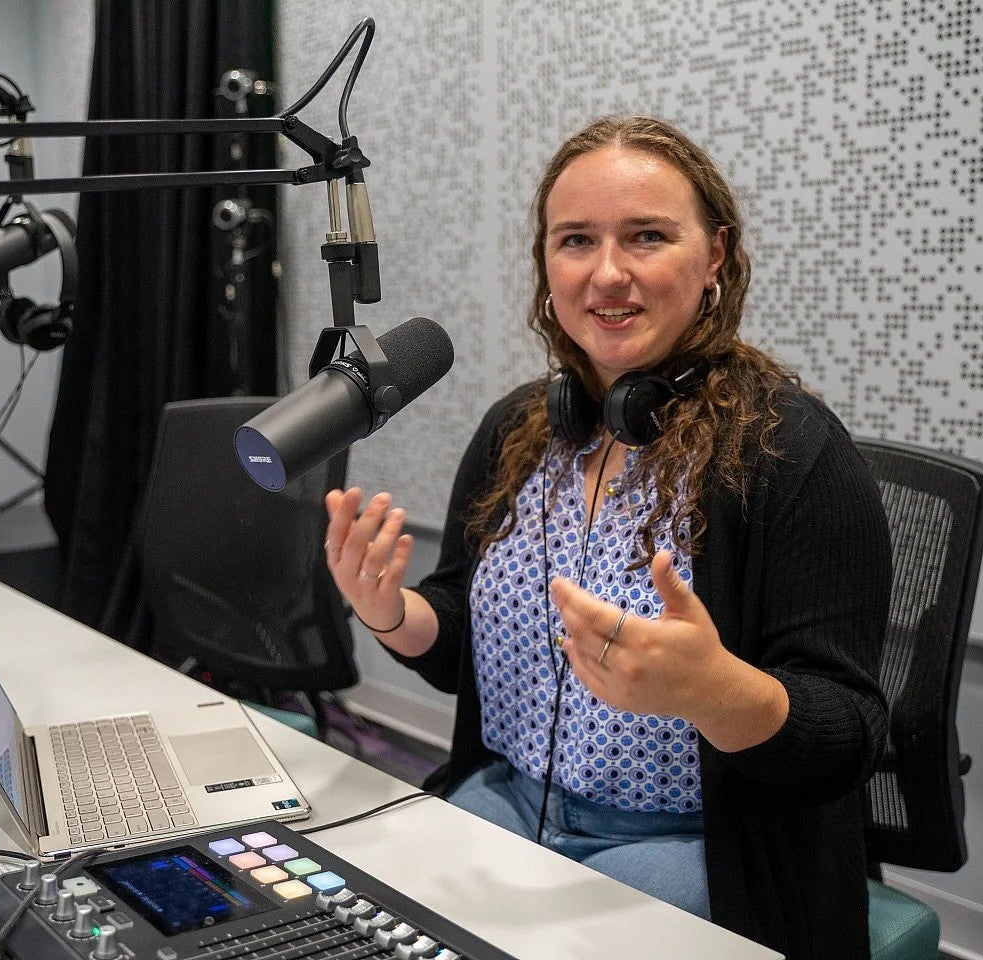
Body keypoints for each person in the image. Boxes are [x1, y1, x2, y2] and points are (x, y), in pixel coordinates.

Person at [323, 115, 891, 959]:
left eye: (648, 237)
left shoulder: (792, 451)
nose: (608, 273)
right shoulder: (519, 428)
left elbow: (847, 736)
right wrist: (392, 612)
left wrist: (713, 689)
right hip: (510, 799)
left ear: (715, 258)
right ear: (546, 269)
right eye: (576, 240)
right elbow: (461, 642)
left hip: (699, 843)